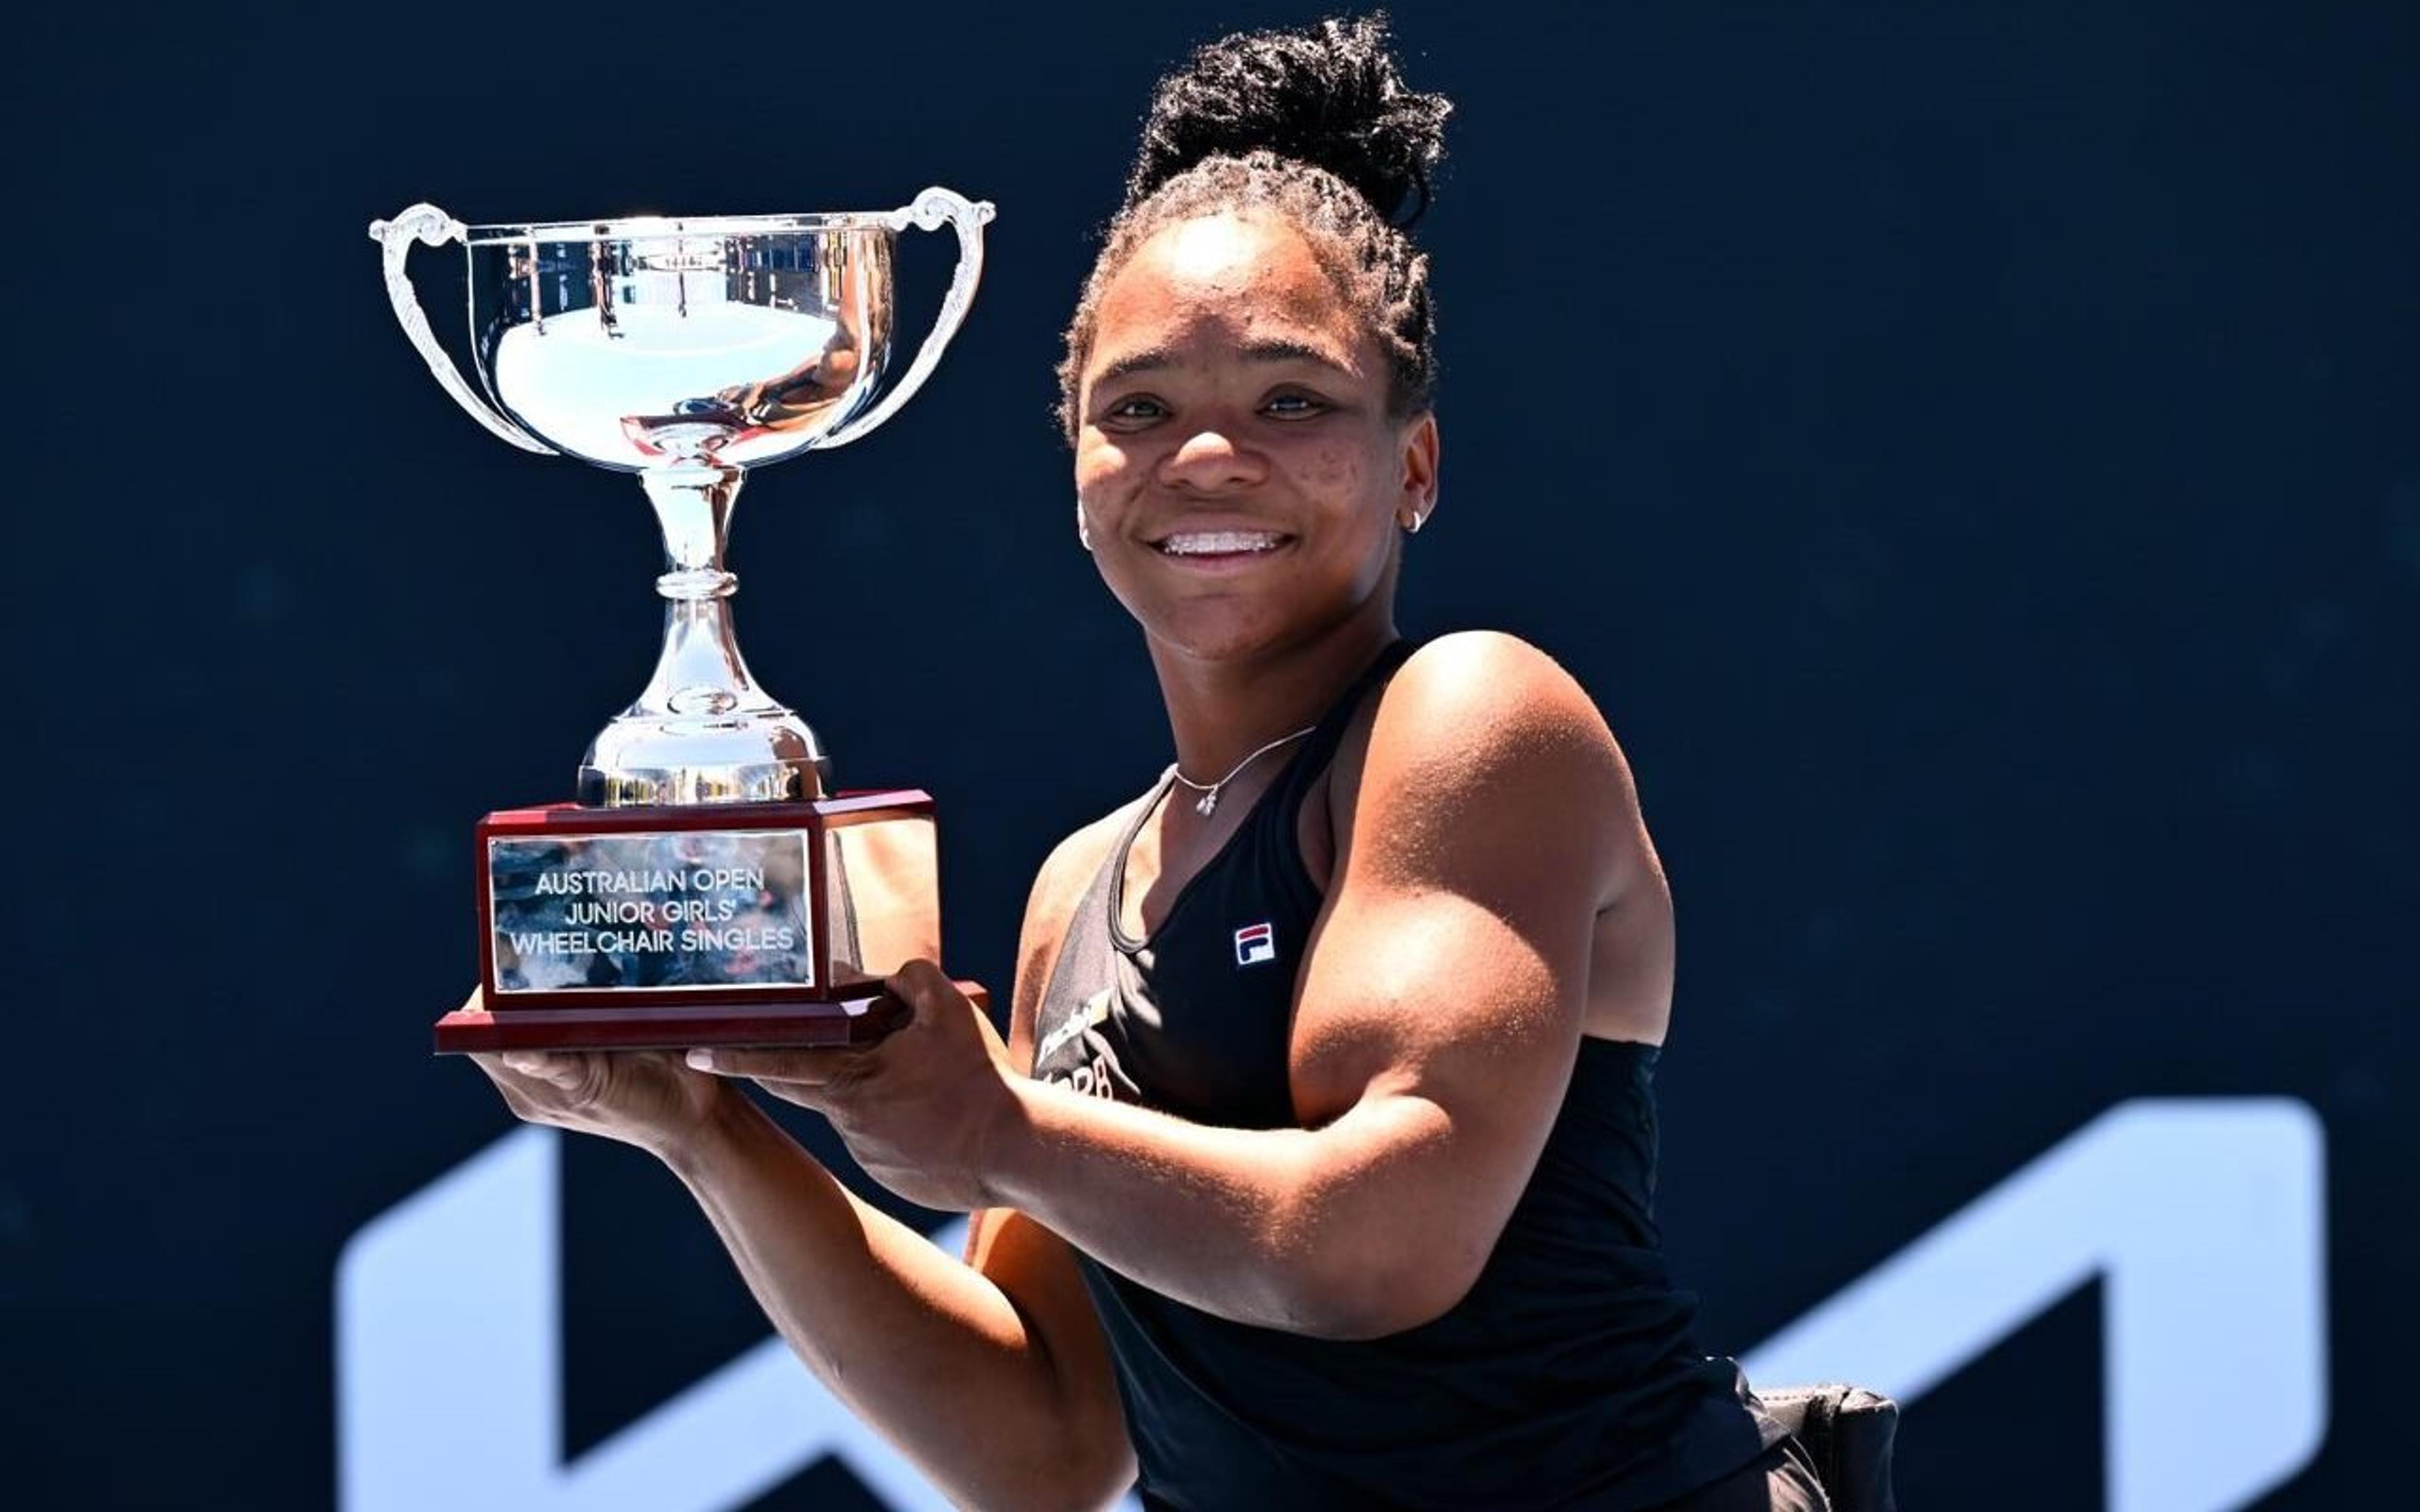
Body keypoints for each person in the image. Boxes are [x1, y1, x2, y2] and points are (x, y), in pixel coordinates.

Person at [470, 16, 1828, 1510]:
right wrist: (705, 1128)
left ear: (1415, 468)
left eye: (1290, 401)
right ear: (1078, 470)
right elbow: (1040, 1447)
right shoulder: (1082, 890)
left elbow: (1382, 1252)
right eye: (1141, 410)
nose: (1206, 458)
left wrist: (998, 1130)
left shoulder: (1477, 718)